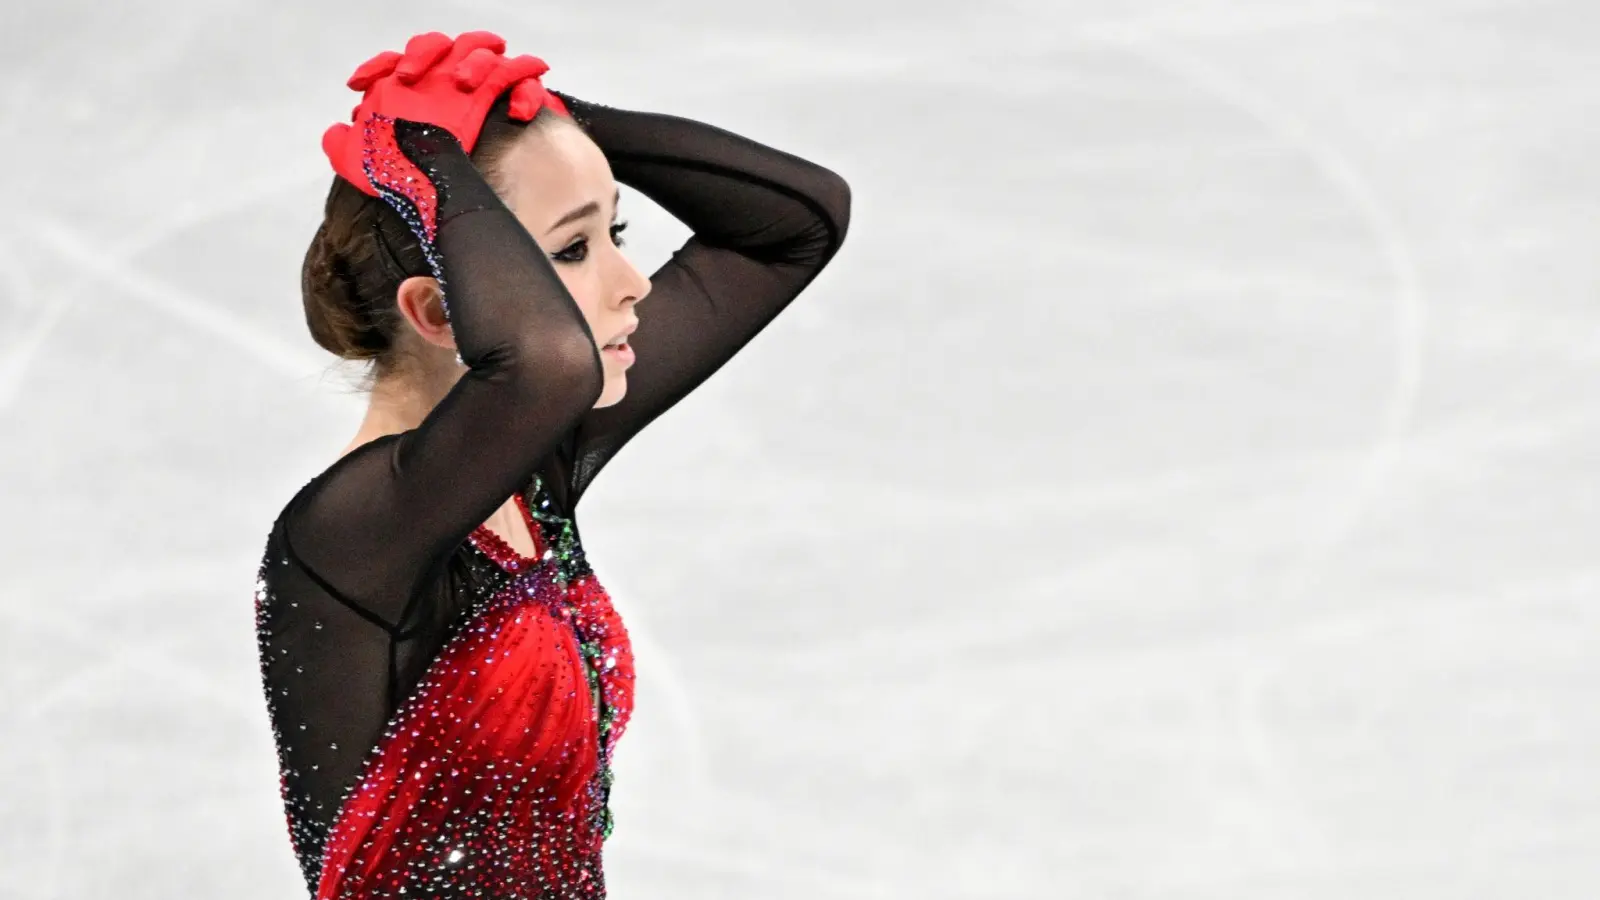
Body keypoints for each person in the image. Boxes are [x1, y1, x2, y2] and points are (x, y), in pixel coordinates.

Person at [252, 30, 851, 899]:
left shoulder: (534, 470)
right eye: (572, 251)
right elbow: (547, 362)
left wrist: (542, 114)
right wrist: (417, 149)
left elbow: (796, 224)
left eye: (616, 233)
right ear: (439, 310)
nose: (633, 282)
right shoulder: (349, 533)